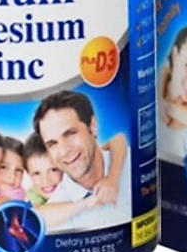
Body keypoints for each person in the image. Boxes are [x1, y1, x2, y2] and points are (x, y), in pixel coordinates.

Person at [33, 91, 130, 230]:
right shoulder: (57, 216)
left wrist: (113, 177)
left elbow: (118, 139)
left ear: (93, 126)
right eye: (52, 144)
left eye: (70, 133)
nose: (64, 151)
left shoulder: (131, 163)